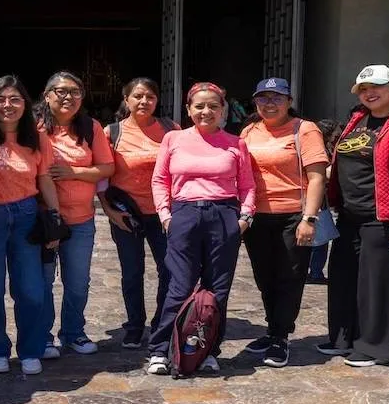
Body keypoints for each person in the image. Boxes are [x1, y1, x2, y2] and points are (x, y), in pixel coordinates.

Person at [320, 65, 389, 367]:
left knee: (379, 284)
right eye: (363, 88)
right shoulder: (357, 119)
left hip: (385, 216)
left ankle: (377, 346)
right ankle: (344, 338)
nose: (369, 92)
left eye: (376, 86)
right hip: (348, 215)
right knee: (344, 280)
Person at [147, 82, 256, 375]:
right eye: (199, 106)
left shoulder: (236, 143)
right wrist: (165, 215)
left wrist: (245, 218)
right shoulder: (173, 139)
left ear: (223, 110)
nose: (206, 111)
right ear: (188, 109)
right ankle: (160, 350)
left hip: (223, 214)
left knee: (217, 288)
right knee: (178, 286)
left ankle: (208, 351)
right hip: (184, 214)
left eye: (213, 106)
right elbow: (159, 180)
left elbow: (246, 185)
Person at [0, 75, 62, 376]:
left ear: (26, 103)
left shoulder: (36, 137)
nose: (7, 105)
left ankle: (31, 348)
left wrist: (55, 216)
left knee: (32, 289)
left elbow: (45, 177)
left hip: (26, 215)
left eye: (14, 99)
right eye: (0, 99)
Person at [239, 78, 327, 368]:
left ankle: (281, 337)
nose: (270, 103)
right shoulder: (249, 131)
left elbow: (317, 177)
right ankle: (272, 328)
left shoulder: (305, 129)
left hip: (293, 214)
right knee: (265, 277)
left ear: (289, 101)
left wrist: (309, 218)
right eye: (263, 98)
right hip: (257, 216)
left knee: (289, 277)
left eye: (277, 98)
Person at [37, 71, 115, 356]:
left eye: (75, 91)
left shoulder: (90, 127)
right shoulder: (35, 128)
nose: (68, 97)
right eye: (61, 91)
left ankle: (73, 332)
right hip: (44, 220)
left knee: (78, 281)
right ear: (47, 96)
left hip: (81, 219)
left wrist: (74, 172)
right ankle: (42, 336)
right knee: (43, 280)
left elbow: (107, 168)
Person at [99, 77, 178, 349]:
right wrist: (108, 210)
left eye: (150, 97)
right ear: (127, 100)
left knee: (169, 270)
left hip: (163, 213)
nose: (144, 102)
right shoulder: (112, 132)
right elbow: (101, 176)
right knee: (132, 272)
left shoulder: (171, 130)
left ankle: (162, 323)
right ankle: (134, 326)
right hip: (126, 213)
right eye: (138, 96)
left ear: (157, 101)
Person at [307, 118, 342, 284]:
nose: (338, 134)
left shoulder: (328, 147)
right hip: (318, 201)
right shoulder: (320, 149)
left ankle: (315, 270)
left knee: (320, 238)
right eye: (335, 131)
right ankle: (315, 272)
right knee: (320, 239)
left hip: (323, 199)